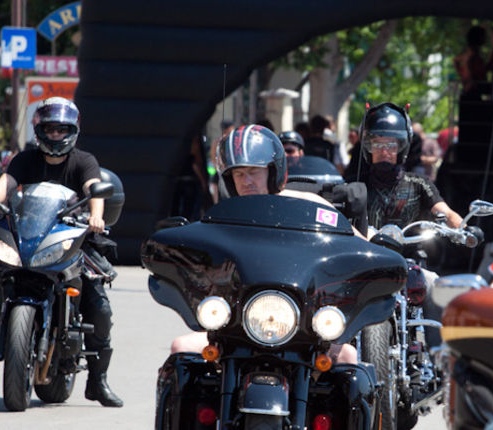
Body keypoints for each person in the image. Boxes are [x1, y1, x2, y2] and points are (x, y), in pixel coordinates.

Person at [0, 97, 123, 407]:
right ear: (39, 130)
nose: (56, 135)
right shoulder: (25, 159)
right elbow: (6, 183)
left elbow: (93, 188)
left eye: (62, 130)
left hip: (69, 237)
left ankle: (98, 381)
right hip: (28, 236)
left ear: (73, 131)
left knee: (99, 304)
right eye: (50, 129)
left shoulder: (83, 161)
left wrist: (96, 215)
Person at [170, 124, 358, 364]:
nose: (246, 181)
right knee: (181, 348)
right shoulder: (221, 217)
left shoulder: (309, 205)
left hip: (303, 325)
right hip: (235, 325)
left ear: (273, 172)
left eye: (254, 171)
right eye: (239, 174)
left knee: (347, 357)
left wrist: (380, 246)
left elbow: (355, 240)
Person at [360, 102, 463, 230]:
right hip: (365, 249)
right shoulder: (356, 184)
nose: (384, 152)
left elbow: (445, 211)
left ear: (402, 148)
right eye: (377, 145)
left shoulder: (419, 183)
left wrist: (463, 229)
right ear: (368, 147)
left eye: (391, 145)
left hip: (409, 248)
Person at [453, 26, 488, 101]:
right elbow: (460, 61)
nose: (485, 38)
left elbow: (456, 60)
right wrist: (470, 79)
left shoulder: (473, 53)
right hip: (471, 93)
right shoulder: (472, 53)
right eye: (483, 36)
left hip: (473, 92)